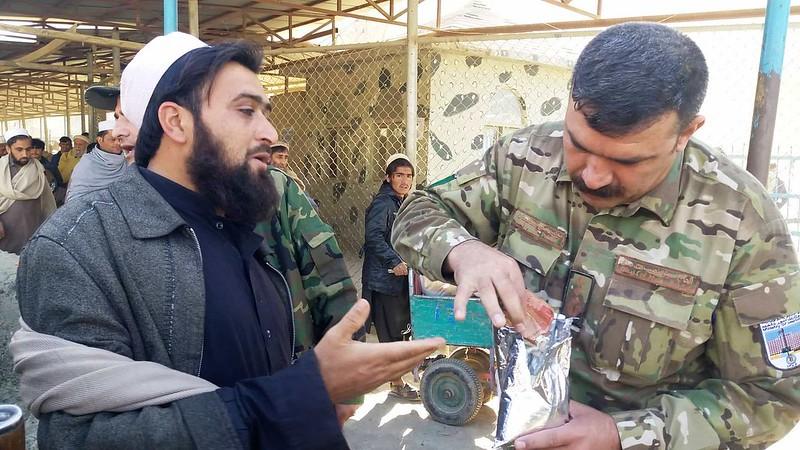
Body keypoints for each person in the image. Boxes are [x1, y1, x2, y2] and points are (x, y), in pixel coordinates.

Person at [13, 32, 442, 449]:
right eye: (245, 111)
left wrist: (321, 395)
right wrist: (302, 394)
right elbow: (81, 437)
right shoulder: (75, 248)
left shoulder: (240, 226)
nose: (270, 133)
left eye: (264, 111)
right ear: (175, 121)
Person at [392, 22, 800, 449]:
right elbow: (418, 212)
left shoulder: (743, 223)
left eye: (627, 161)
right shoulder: (525, 157)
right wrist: (464, 250)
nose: (592, 175)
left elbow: (772, 397)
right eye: (579, 144)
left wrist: (624, 436)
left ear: (685, 134)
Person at [84, 44, 363, 422]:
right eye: (245, 111)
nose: (117, 131)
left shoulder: (266, 192)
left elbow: (329, 279)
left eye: (124, 114)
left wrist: (336, 384)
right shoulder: (91, 241)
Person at [361, 153, 418, 400]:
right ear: (388, 177)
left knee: (397, 331)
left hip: (395, 279)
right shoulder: (384, 203)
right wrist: (394, 261)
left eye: (409, 176)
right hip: (384, 280)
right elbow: (372, 237)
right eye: (399, 175)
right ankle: (396, 383)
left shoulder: (401, 201)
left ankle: (392, 377)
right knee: (391, 334)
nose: (405, 181)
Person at [0, 129, 56, 254]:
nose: (25, 154)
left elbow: (47, 202)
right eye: (19, 150)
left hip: (32, 228)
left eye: (28, 149)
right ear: (8, 149)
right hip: (4, 232)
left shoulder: (38, 169)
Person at [65, 116, 125, 202]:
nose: (118, 143)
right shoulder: (87, 164)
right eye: (113, 139)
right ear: (100, 140)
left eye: (120, 139)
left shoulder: (127, 162)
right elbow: (74, 199)